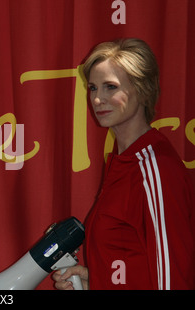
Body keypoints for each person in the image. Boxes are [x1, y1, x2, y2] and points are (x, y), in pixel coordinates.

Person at [53, 38, 195, 290]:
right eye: (93, 88)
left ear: (142, 90)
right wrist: (93, 281)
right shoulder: (122, 163)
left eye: (110, 87)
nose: (97, 99)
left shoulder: (155, 168)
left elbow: (173, 277)